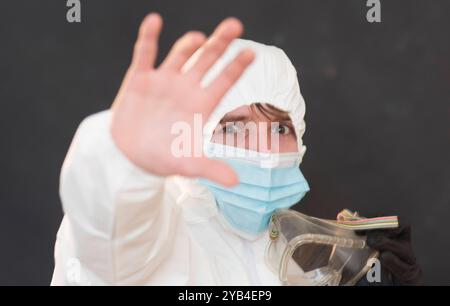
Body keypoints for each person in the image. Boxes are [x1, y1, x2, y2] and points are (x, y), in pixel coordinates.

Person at [51, 13, 421, 285]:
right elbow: (111, 236)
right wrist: (124, 161)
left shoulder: (295, 265)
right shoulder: (158, 238)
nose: (263, 149)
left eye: (279, 127)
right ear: (194, 138)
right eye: (232, 127)